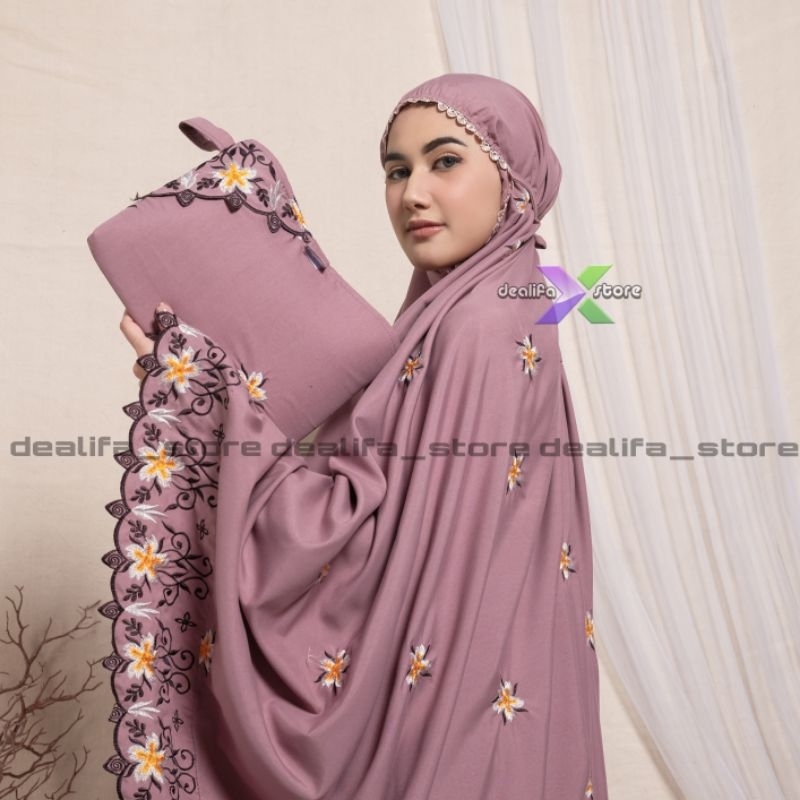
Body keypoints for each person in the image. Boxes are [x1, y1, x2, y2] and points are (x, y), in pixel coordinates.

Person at [114, 73, 607, 799]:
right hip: (499, 718)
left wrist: (202, 401)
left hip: (453, 730)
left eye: (445, 162)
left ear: (514, 178)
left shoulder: (476, 326)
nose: (413, 194)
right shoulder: (510, 301)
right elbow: (408, 511)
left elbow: (376, 557)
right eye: (396, 170)